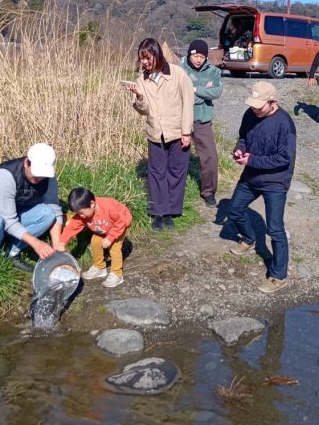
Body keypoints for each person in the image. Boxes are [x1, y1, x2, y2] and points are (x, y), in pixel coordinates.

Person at [227, 81, 297, 294]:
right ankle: (249, 239)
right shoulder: (250, 114)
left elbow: (284, 158)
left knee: (275, 229)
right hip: (251, 176)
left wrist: (252, 160)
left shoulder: (285, 124)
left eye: (260, 106)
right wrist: (240, 150)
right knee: (234, 209)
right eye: (253, 104)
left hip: (275, 182)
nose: (255, 109)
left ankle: (278, 275)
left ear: (273, 101)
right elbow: (243, 137)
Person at [124, 38, 194, 231]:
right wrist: (139, 96)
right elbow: (143, 110)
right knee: (156, 173)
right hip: (155, 132)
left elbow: (188, 102)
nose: (144, 62)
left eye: (147, 58)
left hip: (178, 131)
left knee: (176, 171)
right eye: (142, 58)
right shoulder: (141, 80)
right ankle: (158, 212)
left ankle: (171, 211)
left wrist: (186, 131)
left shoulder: (177, 74)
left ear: (157, 55)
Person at [0, 143, 62, 272]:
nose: (39, 178)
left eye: (43, 174)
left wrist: (58, 246)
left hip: (8, 219)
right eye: (37, 173)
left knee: (48, 213)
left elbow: (56, 210)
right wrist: (36, 243)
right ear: (26, 163)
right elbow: (8, 220)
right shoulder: (5, 176)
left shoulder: (48, 178)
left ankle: (11, 252)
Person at [56, 187, 132, 289]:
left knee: (114, 248)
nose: (81, 216)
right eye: (78, 213)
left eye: (81, 213)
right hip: (103, 228)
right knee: (95, 241)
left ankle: (117, 274)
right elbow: (72, 227)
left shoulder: (109, 207)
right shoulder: (83, 213)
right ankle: (100, 267)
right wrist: (62, 242)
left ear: (92, 204)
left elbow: (121, 222)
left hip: (118, 227)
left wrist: (110, 238)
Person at [180, 39, 223, 207]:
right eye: (195, 56)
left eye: (202, 56)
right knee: (177, 157)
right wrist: (204, 94)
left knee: (210, 156)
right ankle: (176, 191)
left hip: (202, 120)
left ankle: (209, 191)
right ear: (189, 55)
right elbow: (178, 94)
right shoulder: (180, 69)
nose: (198, 60)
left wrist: (196, 90)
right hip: (180, 119)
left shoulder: (213, 71)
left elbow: (217, 91)